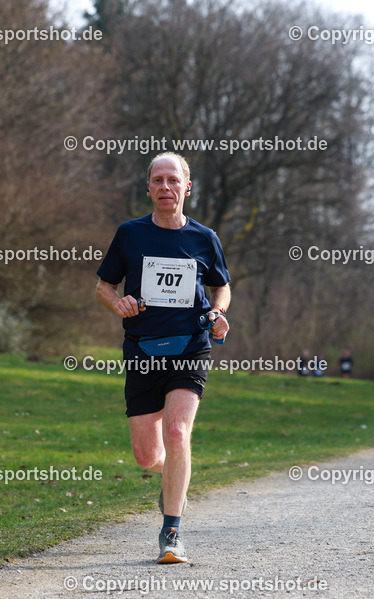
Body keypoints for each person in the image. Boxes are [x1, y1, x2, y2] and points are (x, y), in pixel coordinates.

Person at [95, 152, 230, 563]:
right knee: (148, 455)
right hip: (141, 350)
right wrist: (118, 303)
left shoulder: (204, 238)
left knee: (177, 434)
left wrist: (218, 313)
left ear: (187, 187)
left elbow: (221, 287)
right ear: (149, 187)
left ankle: (171, 532)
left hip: (191, 344)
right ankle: (176, 475)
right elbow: (103, 286)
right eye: (158, 180)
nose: (165, 187)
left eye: (173, 180)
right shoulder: (130, 234)